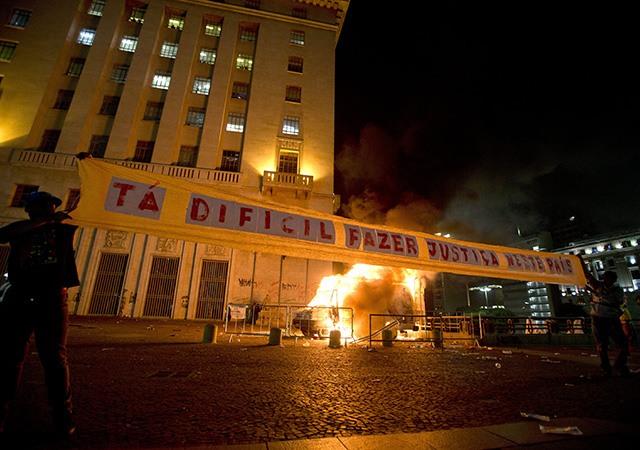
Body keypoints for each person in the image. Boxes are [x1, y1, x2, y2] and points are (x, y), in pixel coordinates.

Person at [0, 191, 79, 436]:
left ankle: (62, 415)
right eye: (41, 205)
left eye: (51, 205)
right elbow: (3, 234)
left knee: (55, 360)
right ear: (29, 210)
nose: (47, 208)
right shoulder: (21, 229)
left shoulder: (62, 228)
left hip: (53, 299)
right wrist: (45, 221)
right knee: (10, 360)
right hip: (21, 297)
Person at [578, 256, 629, 377]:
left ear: (613, 279)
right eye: (606, 277)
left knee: (623, 343)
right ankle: (605, 368)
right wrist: (580, 261)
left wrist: (594, 293)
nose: (608, 279)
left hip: (612, 318)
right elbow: (588, 276)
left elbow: (613, 301)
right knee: (602, 345)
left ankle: (620, 365)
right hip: (598, 318)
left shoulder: (618, 290)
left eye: (610, 277)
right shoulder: (598, 285)